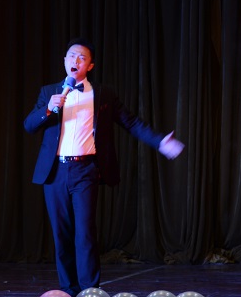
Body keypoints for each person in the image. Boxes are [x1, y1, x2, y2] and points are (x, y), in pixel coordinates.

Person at [24, 38, 185, 297]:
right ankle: (68, 289)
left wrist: (159, 141)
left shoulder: (103, 94)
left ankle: (90, 290)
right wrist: (49, 109)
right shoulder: (49, 92)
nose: (75, 60)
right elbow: (29, 125)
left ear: (90, 65)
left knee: (85, 233)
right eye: (71, 56)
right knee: (62, 235)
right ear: (64, 61)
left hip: (85, 170)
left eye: (82, 57)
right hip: (55, 172)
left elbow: (130, 122)